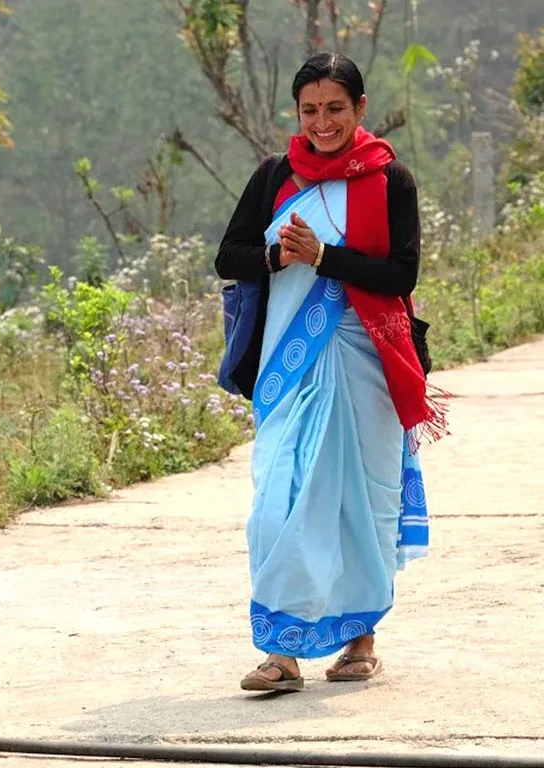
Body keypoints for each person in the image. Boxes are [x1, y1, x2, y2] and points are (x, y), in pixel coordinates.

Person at [215, 53, 447, 693]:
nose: (322, 122)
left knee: (359, 502)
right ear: (297, 113)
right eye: (310, 110)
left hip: (366, 359)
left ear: (360, 109)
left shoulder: (389, 180)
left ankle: (359, 641)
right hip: (289, 365)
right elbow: (227, 256)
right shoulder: (275, 176)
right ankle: (282, 653)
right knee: (280, 500)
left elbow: (402, 275)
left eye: (335, 109)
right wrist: (274, 254)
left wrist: (325, 259)